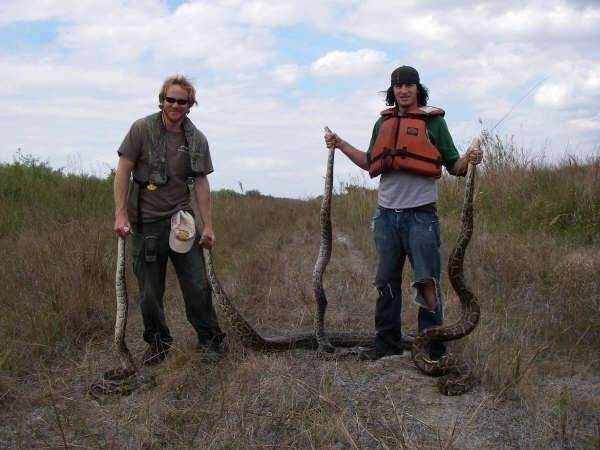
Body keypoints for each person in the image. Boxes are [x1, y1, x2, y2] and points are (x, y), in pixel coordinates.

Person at [324, 66, 483, 360]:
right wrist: (341, 144)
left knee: (427, 283)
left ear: (417, 88)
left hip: (421, 217)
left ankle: (431, 349)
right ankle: (386, 345)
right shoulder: (381, 123)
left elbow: (455, 167)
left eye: (409, 85)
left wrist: (470, 159)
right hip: (386, 216)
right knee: (386, 282)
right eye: (398, 86)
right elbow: (370, 161)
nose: (404, 90)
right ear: (392, 91)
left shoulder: (434, 124)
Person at [113, 74, 225, 364]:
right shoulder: (141, 129)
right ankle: (158, 344)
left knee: (198, 284)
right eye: (170, 99)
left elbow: (200, 183)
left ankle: (210, 339)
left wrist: (208, 225)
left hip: (181, 221)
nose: (175, 105)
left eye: (182, 101)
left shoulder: (197, 139)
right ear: (161, 100)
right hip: (145, 223)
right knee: (150, 291)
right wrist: (121, 214)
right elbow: (123, 170)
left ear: (190, 105)